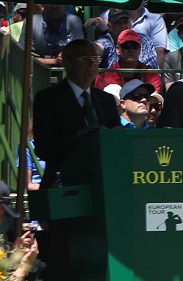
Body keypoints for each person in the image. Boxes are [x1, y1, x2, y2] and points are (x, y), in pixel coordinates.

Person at [30, 39, 119, 187]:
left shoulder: (106, 100)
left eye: (95, 58)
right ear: (68, 63)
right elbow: (43, 149)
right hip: (64, 183)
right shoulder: (48, 98)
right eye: (84, 58)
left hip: (103, 183)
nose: (91, 63)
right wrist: (78, 137)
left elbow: (116, 141)